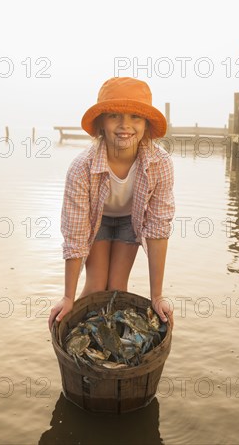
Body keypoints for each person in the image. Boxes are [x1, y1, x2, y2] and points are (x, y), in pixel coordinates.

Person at [48, 76, 175, 330]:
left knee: (116, 288)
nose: (124, 125)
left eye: (135, 117)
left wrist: (157, 296)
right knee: (96, 287)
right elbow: (75, 234)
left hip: (131, 220)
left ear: (146, 125)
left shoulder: (160, 163)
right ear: (101, 123)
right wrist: (68, 297)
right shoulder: (81, 167)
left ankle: (112, 343)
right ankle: (79, 333)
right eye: (114, 116)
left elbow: (158, 228)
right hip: (98, 220)